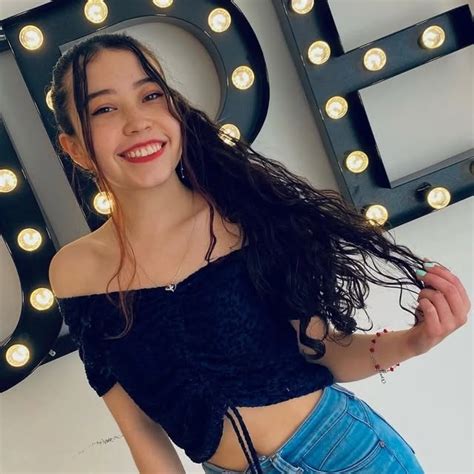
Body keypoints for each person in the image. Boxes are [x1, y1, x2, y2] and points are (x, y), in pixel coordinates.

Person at [47, 33, 470, 474]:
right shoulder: (76, 274)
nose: (137, 122)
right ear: (74, 148)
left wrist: (414, 342)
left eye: (150, 95)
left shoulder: (244, 219)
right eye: (104, 109)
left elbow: (323, 351)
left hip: (345, 454)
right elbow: (139, 429)